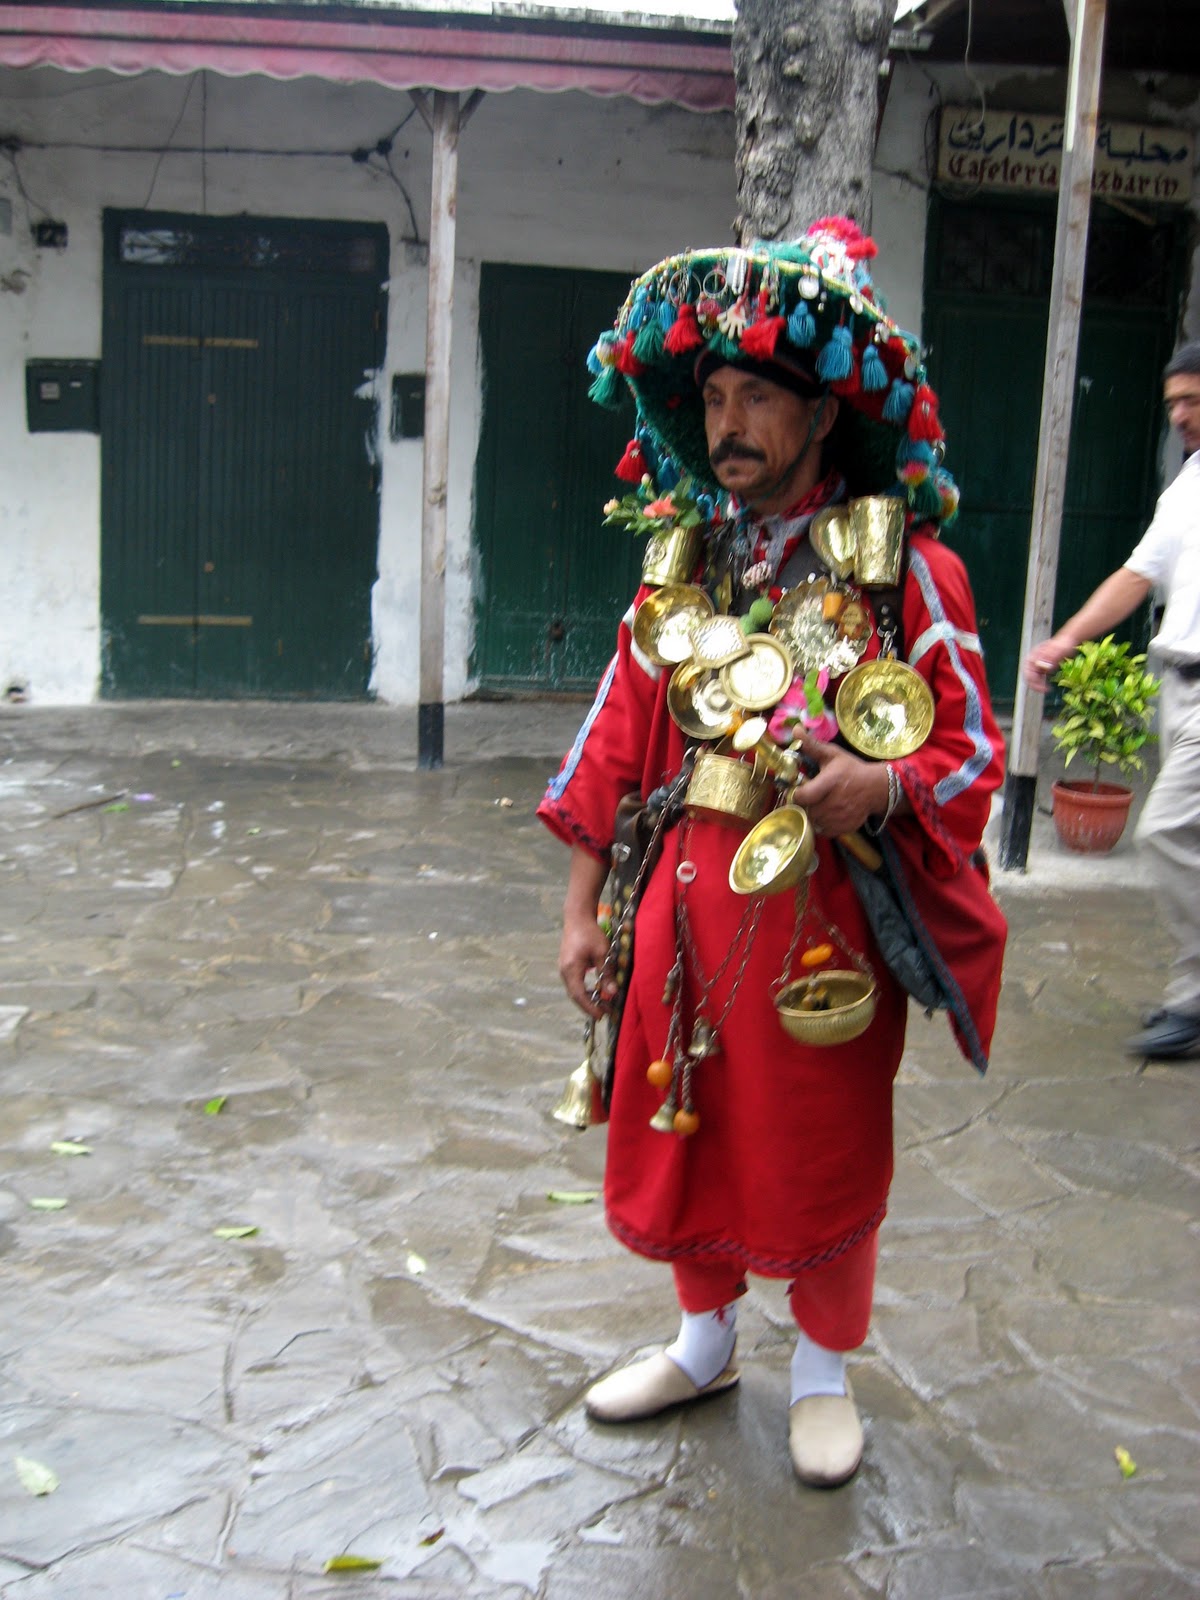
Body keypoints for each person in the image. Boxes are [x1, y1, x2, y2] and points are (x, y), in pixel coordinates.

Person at [538, 218, 1007, 1487]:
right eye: (716, 396)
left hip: (819, 926)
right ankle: (703, 1343)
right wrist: (585, 911)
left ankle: (820, 1370)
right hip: (675, 916)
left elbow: (971, 758)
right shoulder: (679, 572)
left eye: (757, 396)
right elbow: (614, 744)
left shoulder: (913, 577)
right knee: (683, 1120)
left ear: (819, 415)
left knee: (815, 1137)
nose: (730, 420)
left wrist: (881, 783)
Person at [1024, 341, 1200, 1061]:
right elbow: (1137, 576)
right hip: (1177, 685)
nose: (1182, 416)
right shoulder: (1187, 486)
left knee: (1162, 830)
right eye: (1173, 406)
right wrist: (1063, 639)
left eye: (1193, 399)